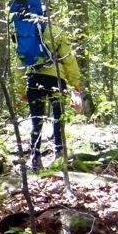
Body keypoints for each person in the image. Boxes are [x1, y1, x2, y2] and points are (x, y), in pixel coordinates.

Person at [16, 15, 82, 171]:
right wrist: (75, 83)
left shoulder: (27, 35)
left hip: (33, 79)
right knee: (58, 117)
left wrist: (21, 89)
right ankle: (59, 152)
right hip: (56, 79)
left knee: (36, 120)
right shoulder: (57, 32)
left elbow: (20, 64)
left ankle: (35, 157)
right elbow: (68, 60)